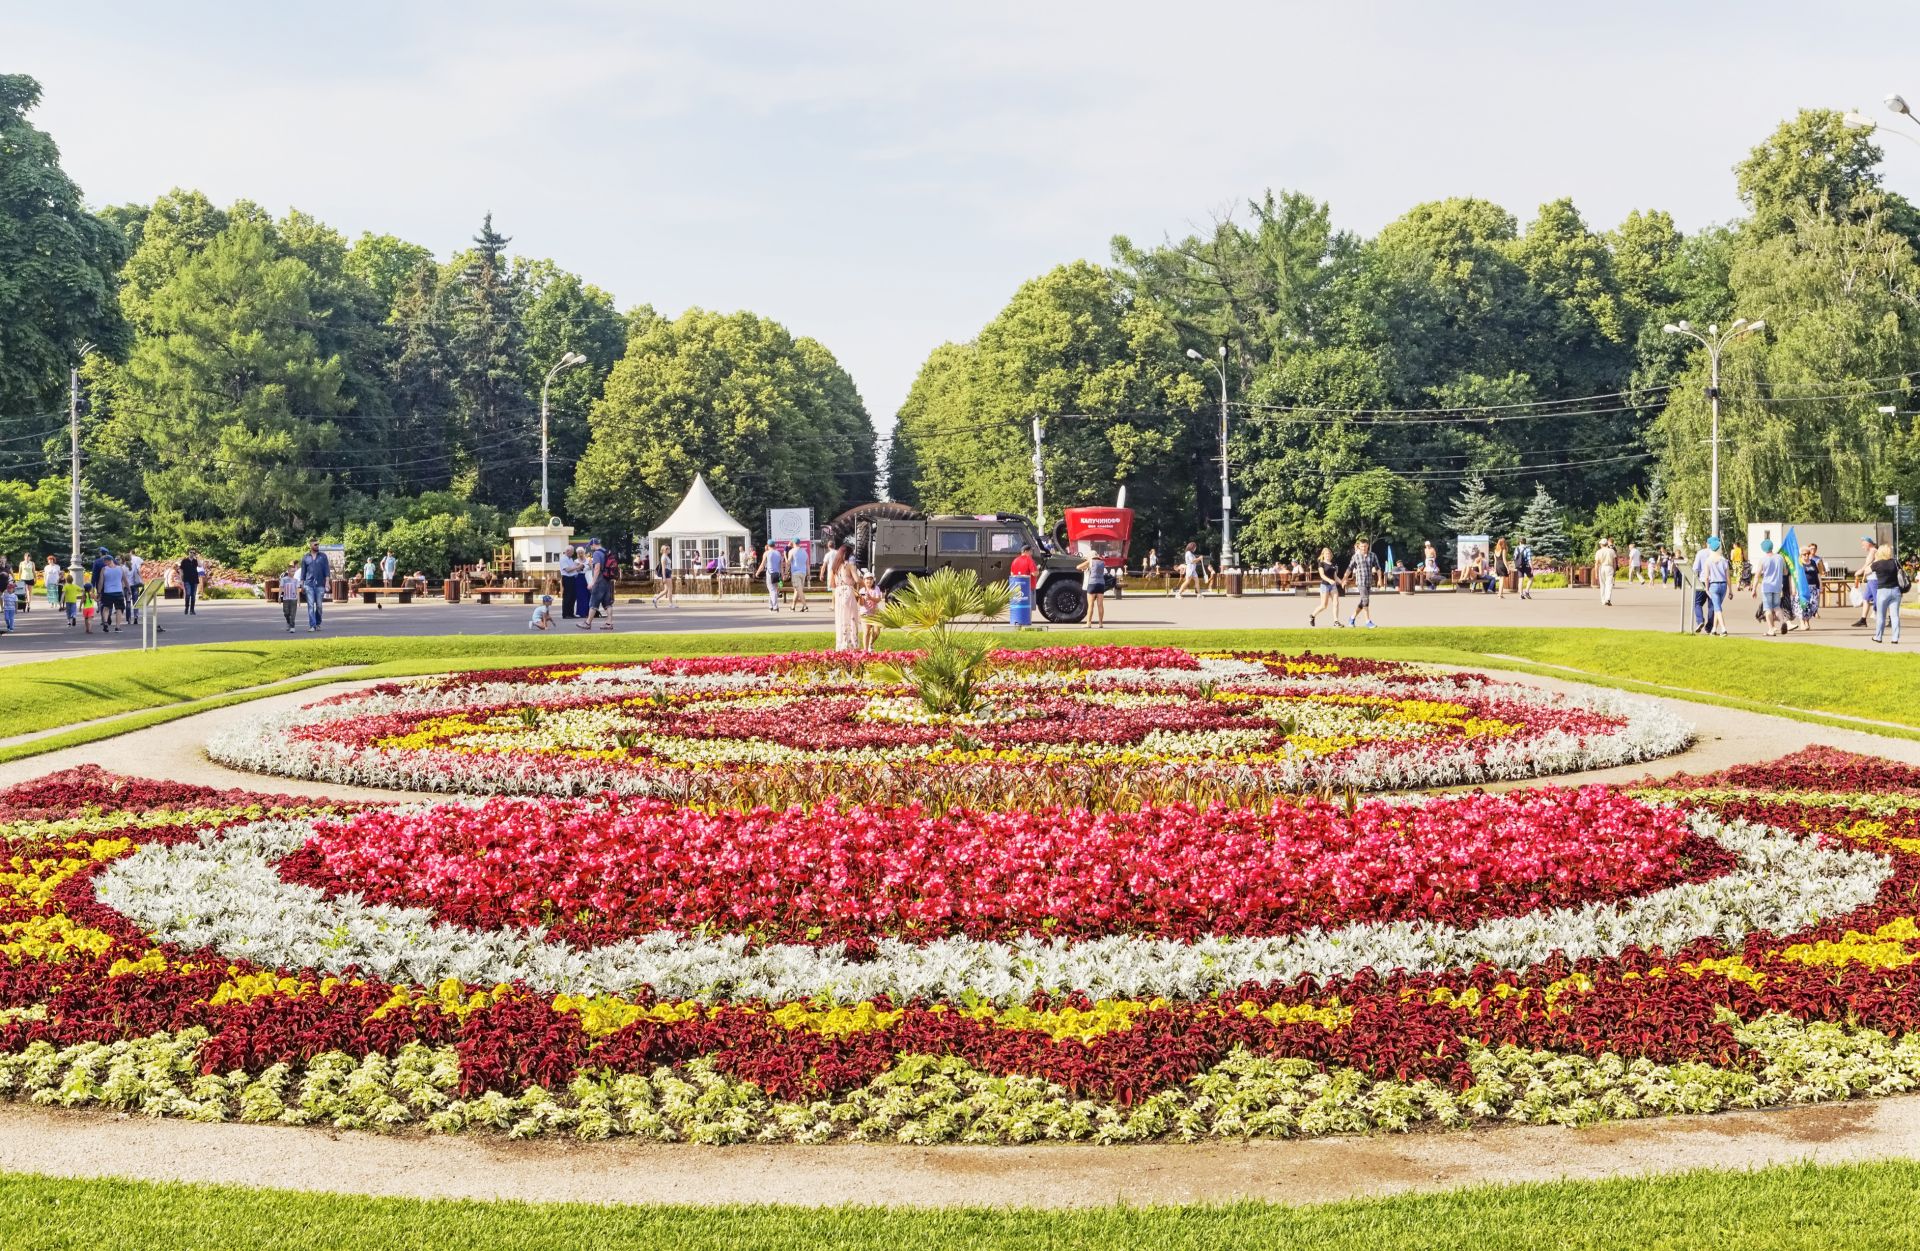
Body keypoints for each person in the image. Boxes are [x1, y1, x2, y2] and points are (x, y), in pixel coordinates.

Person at [1693, 536, 1730, 636]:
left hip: (1703, 581)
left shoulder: (1701, 553)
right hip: (1718, 582)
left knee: (1697, 603)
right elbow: (1727, 575)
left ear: (1707, 543)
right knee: (1713, 606)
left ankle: (1700, 620)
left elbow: (1695, 569)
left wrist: (1694, 581)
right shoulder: (1721, 557)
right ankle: (1710, 628)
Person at [1871, 543, 1905, 644]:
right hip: (1895, 591)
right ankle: (1895, 638)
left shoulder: (1877, 564)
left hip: (1882, 591)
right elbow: (1901, 572)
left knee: (1881, 616)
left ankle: (1878, 637)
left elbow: (1866, 572)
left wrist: (1875, 560)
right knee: (1895, 616)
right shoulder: (1895, 562)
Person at [831, 539, 860, 651]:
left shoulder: (835, 567)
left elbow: (832, 583)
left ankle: (841, 643)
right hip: (848, 591)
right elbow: (857, 580)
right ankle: (852, 644)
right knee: (851, 617)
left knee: (840, 617)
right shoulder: (849, 565)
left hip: (838, 592)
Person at [1754, 539, 1787, 636]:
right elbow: (1785, 572)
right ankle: (1783, 621)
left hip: (1767, 587)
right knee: (1777, 607)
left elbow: (1757, 575)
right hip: (1777, 586)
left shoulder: (1763, 560)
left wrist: (1754, 589)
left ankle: (1771, 629)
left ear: (1763, 549)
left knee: (1767, 608)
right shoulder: (1780, 558)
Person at [1345, 539, 1380, 628]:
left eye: (1365, 546)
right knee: (1365, 600)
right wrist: (1344, 579)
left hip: (1369, 581)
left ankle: (1352, 618)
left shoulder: (1373, 555)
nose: (1363, 548)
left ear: (1368, 546)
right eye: (1361, 546)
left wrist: (1380, 579)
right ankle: (1368, 621)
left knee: (1362, 602)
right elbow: (1349, 568)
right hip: (1360, 582)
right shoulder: (1355, 557)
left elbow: (1378, 568)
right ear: (1359, 547)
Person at [298, 541, 330, 632]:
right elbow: (303, 573)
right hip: (309, 584)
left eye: (318, 544)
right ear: (311, 546)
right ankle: (312, 625)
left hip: (320, 584)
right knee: (310, 605)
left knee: (319, 606)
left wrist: (327, 582)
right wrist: (302, 585)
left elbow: (326, 570)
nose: (317, 546)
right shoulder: (305, 557)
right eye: (315, 544)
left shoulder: (323, 556)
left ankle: (318, 623)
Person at [1852, 535, 1880, 628]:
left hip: (1874, 579)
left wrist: (1860, 571)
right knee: (1866, 598)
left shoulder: (1873, 551)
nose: (1862, 546)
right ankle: (1863, 620)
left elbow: (1867, 564)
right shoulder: (1872, 551)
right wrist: (1864, 576)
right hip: (1871, 578)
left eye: (1863, 544)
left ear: (1869, 544)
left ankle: (1887, 618)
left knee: (1878, 600)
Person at [1309, 546, 1341, 627]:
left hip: (1333, 586)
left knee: (1336, 603)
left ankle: (1336, 621)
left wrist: (1342, 582)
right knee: (1324, 606)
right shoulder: (1321, 564)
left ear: (1331, 555)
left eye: (1329, 553)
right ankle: (1312, 616)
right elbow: (1322, 575)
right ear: (1323, 555)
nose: (1328, 555)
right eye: (1326, 554)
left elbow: (1335, 576)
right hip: (1325, 586)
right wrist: (1329, 580)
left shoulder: (1333, 564)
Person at [1078, 549, 1109, 628]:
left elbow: (1078, 567)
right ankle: (1101, 624)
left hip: (1092, 584)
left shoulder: (1090, 561)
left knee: (1091, 605)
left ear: (1090, 556)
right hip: (1101, 584)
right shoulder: (1102, 562)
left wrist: (1086, 563)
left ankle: (1088, 623)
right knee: (1100, 605)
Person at [856, 570, 885, 652]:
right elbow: (861, 604)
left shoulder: (877, 588)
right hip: (865, 614)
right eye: (867, 579)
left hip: (875, 613)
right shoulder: (862, 590)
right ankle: (865, 651)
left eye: (870, 579)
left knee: (876, 631)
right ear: (864, 580)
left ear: (873, 580)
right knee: (866, 632)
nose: (869, 581)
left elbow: (879, 599)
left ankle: (870, 644)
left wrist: (870, 598)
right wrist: (860, 598)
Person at [1799, 544, 1824, 631]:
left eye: (1808, 554)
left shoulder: (1812, 562)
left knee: (1813, 605)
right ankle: (1803, 622)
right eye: (1804, 554)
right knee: (1804, 605)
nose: (1806, 555)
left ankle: (1807, 620)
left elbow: (1817, 574)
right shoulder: (1799, 563)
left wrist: (1820, 584)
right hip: (1804, 587)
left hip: (1814, 587)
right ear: (1801, 555)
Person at [756, 542, 786, 613]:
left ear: (768, 545)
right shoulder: (778, 553)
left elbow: (762, 565)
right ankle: (771, 606)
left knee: (772, 591)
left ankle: (775, 607)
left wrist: (757, 572)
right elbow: (781, 566)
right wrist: (783, 575)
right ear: (774, 545)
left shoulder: (766, 553)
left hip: (770, 574)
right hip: (777, 574)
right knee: (773, 590)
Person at [98, 555, 126, 631]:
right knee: (119, 609)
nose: (104, 563)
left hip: (108, 592)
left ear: (109, 560)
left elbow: (101, 581)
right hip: (118, 592)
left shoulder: (104, 569)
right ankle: (117, 627)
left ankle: (105, 622)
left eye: (105, 561)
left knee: (106, 608)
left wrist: (99, 592)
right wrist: (128, 589)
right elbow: (124, 580)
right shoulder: (120, 568)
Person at [788, 541, 811, 612]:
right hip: (803, 573)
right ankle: (793, 607)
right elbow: (807, 564)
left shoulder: (791, 551)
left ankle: (805, 606)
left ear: (794, 543)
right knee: (797, 590)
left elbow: (788, 562)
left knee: (799, 590)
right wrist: (808, 574)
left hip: (795, 573)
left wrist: (785, 573)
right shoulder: (805, 552)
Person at [1593, 537, 1616, 606]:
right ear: (1606, 544)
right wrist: (1614, 570)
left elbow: (1596, 563)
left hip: (1602, 567)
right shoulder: (1612, 551)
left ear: (1601, 544)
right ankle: (1608, 599)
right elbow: (1614, 562)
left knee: (1602, 585)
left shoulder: (1598, 551)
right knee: (1609, 584)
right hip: (1609, 567)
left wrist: (1596, 573)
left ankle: (1603, 601)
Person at [180, 549, 202, 615]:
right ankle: (186, 607)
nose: (192, 553)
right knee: (188, 594)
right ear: (188, 553)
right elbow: (181, 569)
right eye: (191, 552)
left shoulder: (195, 561)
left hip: (194, 580)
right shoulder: (184, 561)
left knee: (193, 595)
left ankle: (192, 610)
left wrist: (197, 557)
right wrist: (182, 577)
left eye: (193, 553)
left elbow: (200, 565)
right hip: (187, 579)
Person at [279, 565, 300, 632]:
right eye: (292, 571)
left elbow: (297, 590)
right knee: (286, 612)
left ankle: (292, 627)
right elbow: (281, 588)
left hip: (294, 599)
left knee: (293, 613)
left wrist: (298, 600)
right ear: (288, 571)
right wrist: (279, 597)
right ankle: (288, 622)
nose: (293, 573)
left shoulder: (296, 580)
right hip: (286, 599)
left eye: (294, 571)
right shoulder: (284, 579)